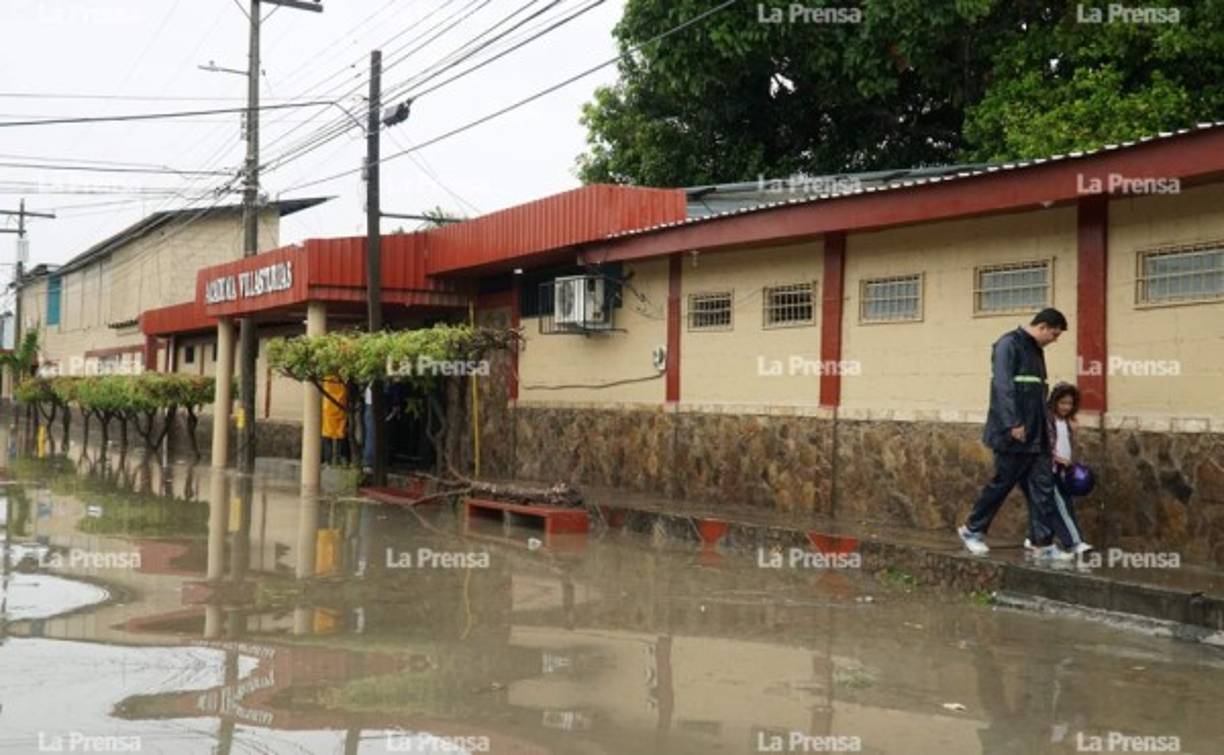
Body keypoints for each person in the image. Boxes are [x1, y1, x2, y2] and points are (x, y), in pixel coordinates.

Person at [957, 308, 1072, 560]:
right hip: (1014, 432)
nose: (1054, 340)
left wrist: (1046, 430)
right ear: (1042, 326)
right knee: (1002, 483)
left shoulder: (1036, 349)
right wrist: (1013, 422)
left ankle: (1042, 542)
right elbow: (1002, 386)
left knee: (1042, 487)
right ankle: (972, 530)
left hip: (1036, 433)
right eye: (1053, 334)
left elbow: (1036, 393)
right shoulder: (1008, 344)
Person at [1035, 382, 1093, 555]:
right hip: (1050, 470)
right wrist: (1056, 459)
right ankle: (1074, 542)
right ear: (1054, 402)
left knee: (1055, 507)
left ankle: (1034, 537)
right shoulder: (1047, 421)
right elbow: (1044, 446)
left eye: (1070, 403)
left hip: (1063, 471)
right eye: (1063, 403)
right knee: (1062, 507)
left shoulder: (1067, 422)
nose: (1066, 407)